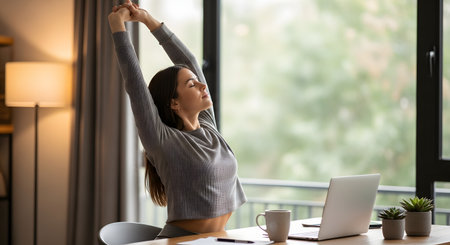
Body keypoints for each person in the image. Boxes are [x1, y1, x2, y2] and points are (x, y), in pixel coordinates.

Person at [108, 0, 247, 239]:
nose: (203, 85)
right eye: (192, 84)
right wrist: (117, 25)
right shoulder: (162, 140)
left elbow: (190, 60)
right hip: (182, 242)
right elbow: (135, 82)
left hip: (220, 239)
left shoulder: (208, 127)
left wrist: (147, 20)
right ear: (174, 103)